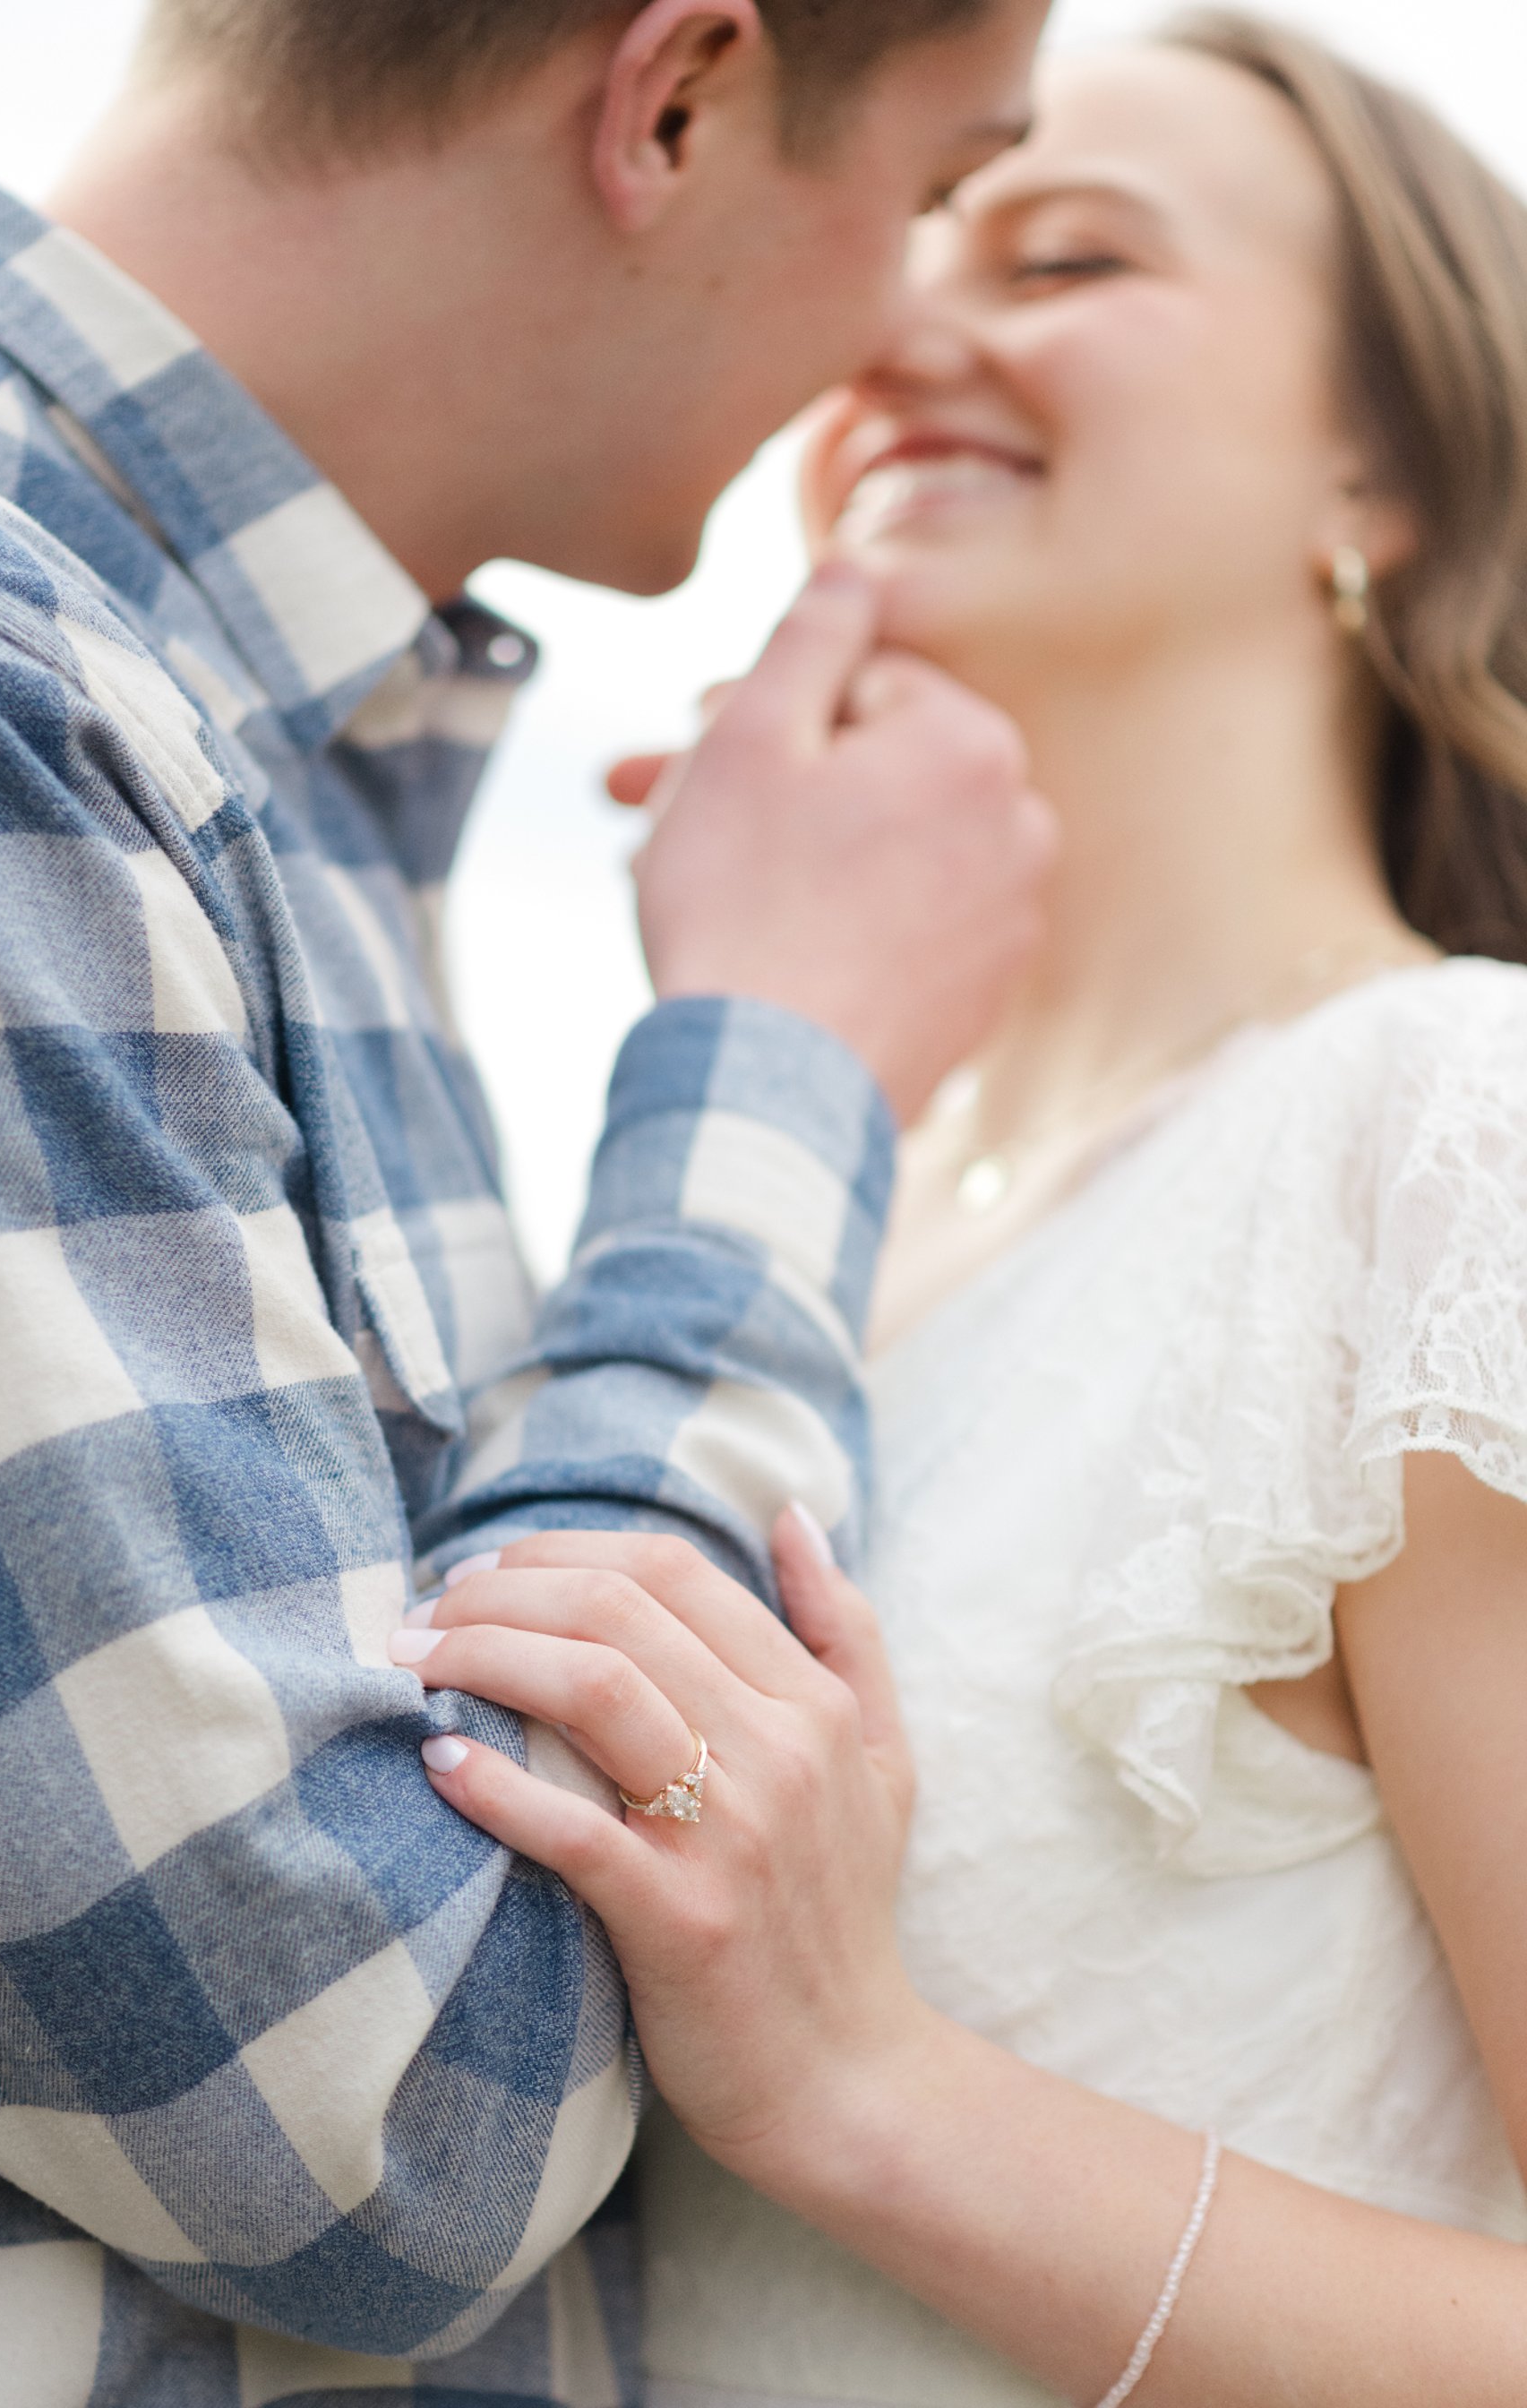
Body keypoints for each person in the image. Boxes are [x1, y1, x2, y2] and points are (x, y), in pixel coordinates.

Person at [0, 2, 1059, 2403]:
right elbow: (373, 2129)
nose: (912, 327)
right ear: (673, 97)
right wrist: (779, 1071)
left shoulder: (208, 727)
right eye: (931, 191)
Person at [401, 15, 1527, 2404]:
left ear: (1390, 467)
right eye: (908, 236)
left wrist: (862, 2092)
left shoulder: (1458, 1133)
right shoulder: (813, 1236)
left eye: (1068, 256)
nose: (898, 329)